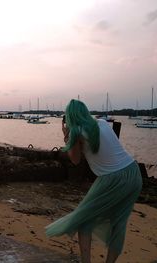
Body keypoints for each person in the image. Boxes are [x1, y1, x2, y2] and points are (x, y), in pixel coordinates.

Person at [45, 99, 142, 263]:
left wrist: (66, 137)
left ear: (70, 117)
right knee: (119, 224)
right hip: (134, 173)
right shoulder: (103, 123)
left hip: (113, 178)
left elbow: (75, 161)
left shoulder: (76, 132)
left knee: (84, 221)